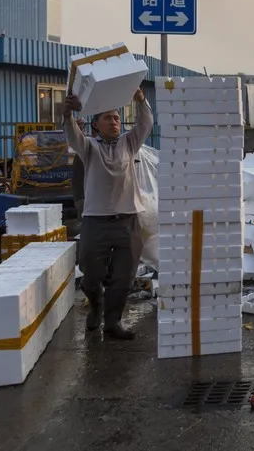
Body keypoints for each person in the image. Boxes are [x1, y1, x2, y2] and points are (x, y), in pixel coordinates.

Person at [63, 89, 153, 339]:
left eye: (116, 118)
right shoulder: (88, 148)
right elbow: (72, 135)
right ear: (96, 125)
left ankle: (113, 322)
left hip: (127, 222)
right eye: (108, 119)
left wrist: (140, 99)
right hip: (96, 222)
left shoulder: (129, 143)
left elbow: (146, 123)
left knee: (124, 279)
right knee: (91, 275)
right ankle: (96, 308)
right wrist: (68, 113)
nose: (114, 122)